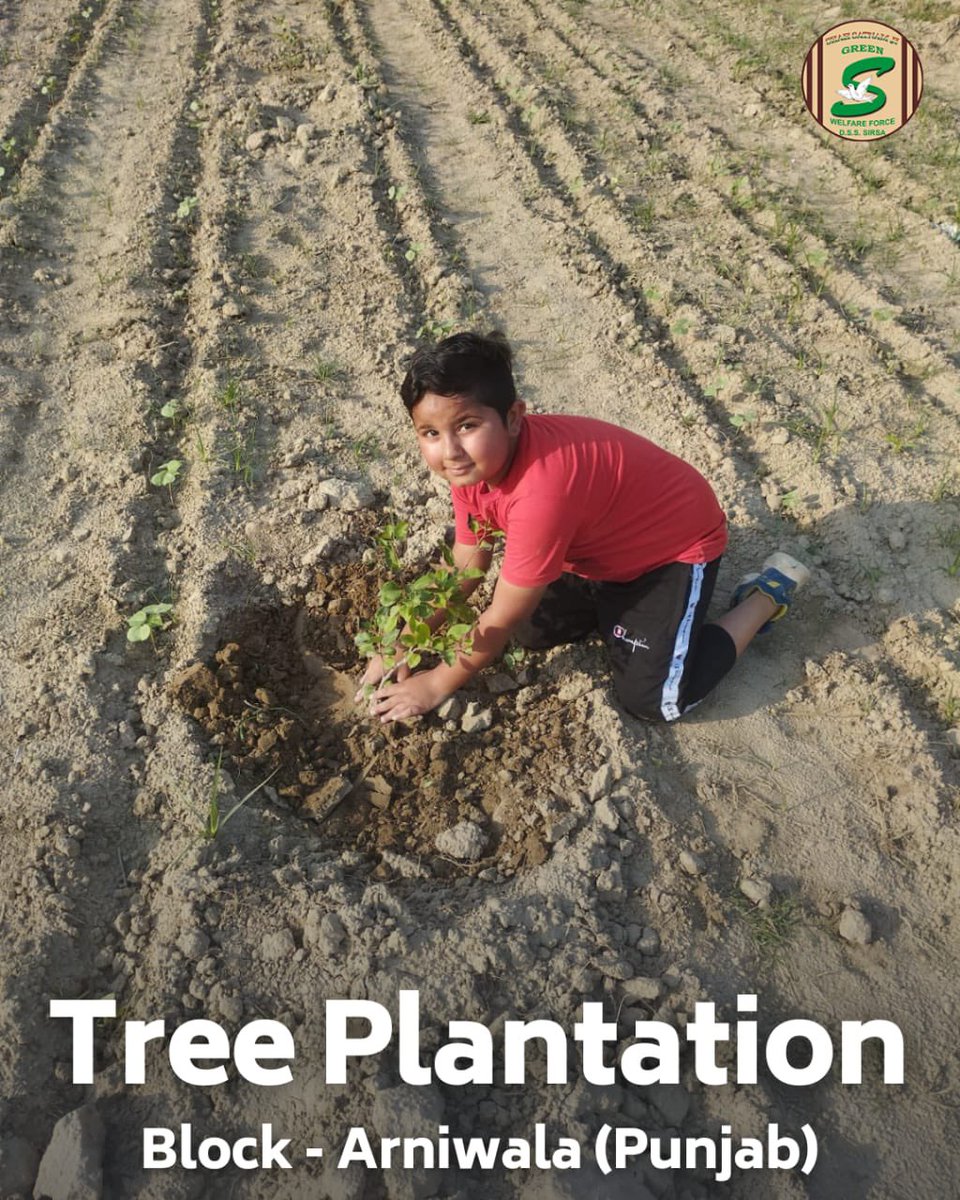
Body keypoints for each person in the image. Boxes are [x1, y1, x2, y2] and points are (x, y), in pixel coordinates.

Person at [356, 330, 808, 724]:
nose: (449, 449)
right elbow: (467, 565)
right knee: (532, 633)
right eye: (430, 433)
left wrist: (436, 683)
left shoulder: (542, 494)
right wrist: (404, 638)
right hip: (598, 545)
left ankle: (765, 596)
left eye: (467, 425)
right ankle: (624, 614)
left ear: (514, 418)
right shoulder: (472, 466)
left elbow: (501, 612)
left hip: (672, 550)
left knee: (653, 701)